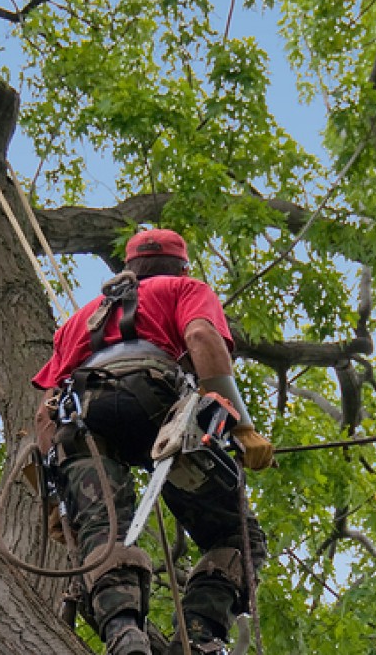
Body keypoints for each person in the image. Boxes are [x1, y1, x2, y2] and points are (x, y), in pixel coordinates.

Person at [32, 228, 274, 655]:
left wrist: (56, 498)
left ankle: (124, 635)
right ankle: (198, 638)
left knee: (102, 537)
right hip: (157, 408)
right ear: (182, 265)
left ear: (130, 268)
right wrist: (243, 428)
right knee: (237, 538)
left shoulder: (79, 320)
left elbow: (43, 414)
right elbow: (201, 338)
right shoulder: (184, 288)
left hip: (82, 424)